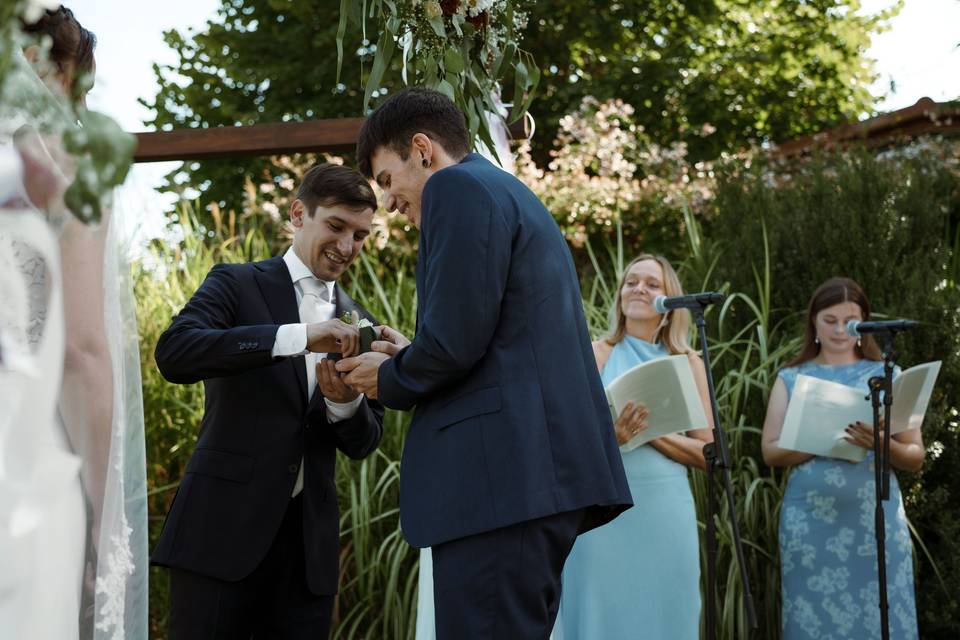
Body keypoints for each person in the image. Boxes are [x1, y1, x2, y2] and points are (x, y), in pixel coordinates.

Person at [339, 87, 632, 639]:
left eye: (385, 180)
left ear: (422, 149)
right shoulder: (501, 191)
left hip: (499, 484)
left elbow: (455, 344)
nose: (388, 203)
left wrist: (388, 377)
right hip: (524, 481)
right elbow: (489, 336)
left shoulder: (457, 186)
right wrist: (414, 353)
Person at [153, 162, 385, 638]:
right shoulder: (236, 283)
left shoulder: (362, 322)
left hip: (307, 558)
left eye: (360, 235)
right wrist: (298, 336)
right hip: (219, 537)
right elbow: (174, 353)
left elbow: (364, 441)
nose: (347, 247)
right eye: (337, 226)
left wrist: (343, 403)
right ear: (300, 214)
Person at [2, 6, 149, 638]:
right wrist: (99, 507)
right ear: (59, 72)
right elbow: (84, 350)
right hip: (26, 461)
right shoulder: (60, 161)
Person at [554, 253, 714, 639]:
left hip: (665, 512)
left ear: (670, 300)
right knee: (601, 612)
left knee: (665, 612)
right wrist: (615, 437)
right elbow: (564, 439)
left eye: (652, 284)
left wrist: (651, 432)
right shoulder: (596, 354)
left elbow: (709, 454)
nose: (639, 288)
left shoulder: (688, 361)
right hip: (603, 512)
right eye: (631, 282)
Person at [762, 277, 923, 639]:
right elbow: (770, 450)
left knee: (882, 619)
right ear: (813, 324)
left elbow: (915, 457)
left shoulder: (888, 375)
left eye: (850, 321)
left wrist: (879, 443)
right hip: (809, 521)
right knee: (813, 621)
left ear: (864, 324)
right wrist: (823, 440)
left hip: (875, 520)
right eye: (829, 320)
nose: (839, 329)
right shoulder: (792, 377)